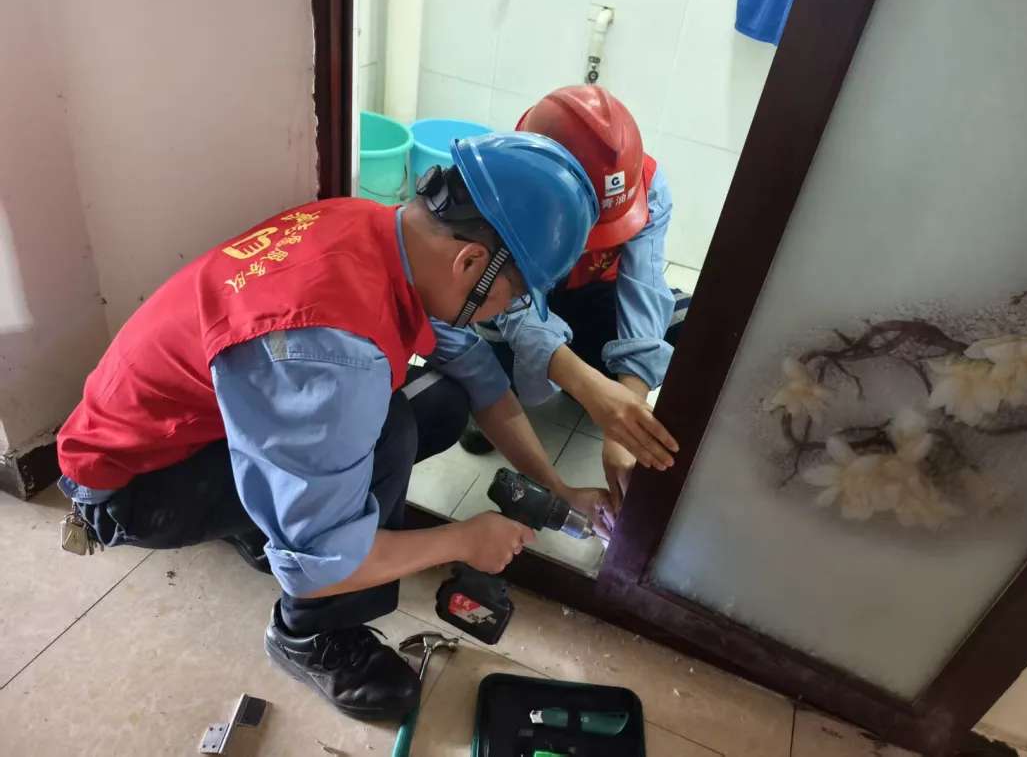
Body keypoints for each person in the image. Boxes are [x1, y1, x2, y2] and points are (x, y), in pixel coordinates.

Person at [55, 132, 602, 722]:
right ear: (470, 262)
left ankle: (268, 518)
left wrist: (558, 489)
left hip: (190, 426)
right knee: (388, 432)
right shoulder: (334, 353)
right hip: (134, 487)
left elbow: (479, 376)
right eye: (513, 299)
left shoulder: (372, 228)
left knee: (442, 402)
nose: (503, 314)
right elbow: (324, 563)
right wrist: (464, 541)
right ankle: (309, 636)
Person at [461, 86, 688, 516]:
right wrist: (588, 387)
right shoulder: (501, 183)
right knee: (483, 314)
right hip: (523, 298)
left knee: (686, 320)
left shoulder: (646, 186)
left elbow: (643, 288)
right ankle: (490, 401)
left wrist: (625, 418)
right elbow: (513, 310)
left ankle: (600, 388)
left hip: (592, 294)